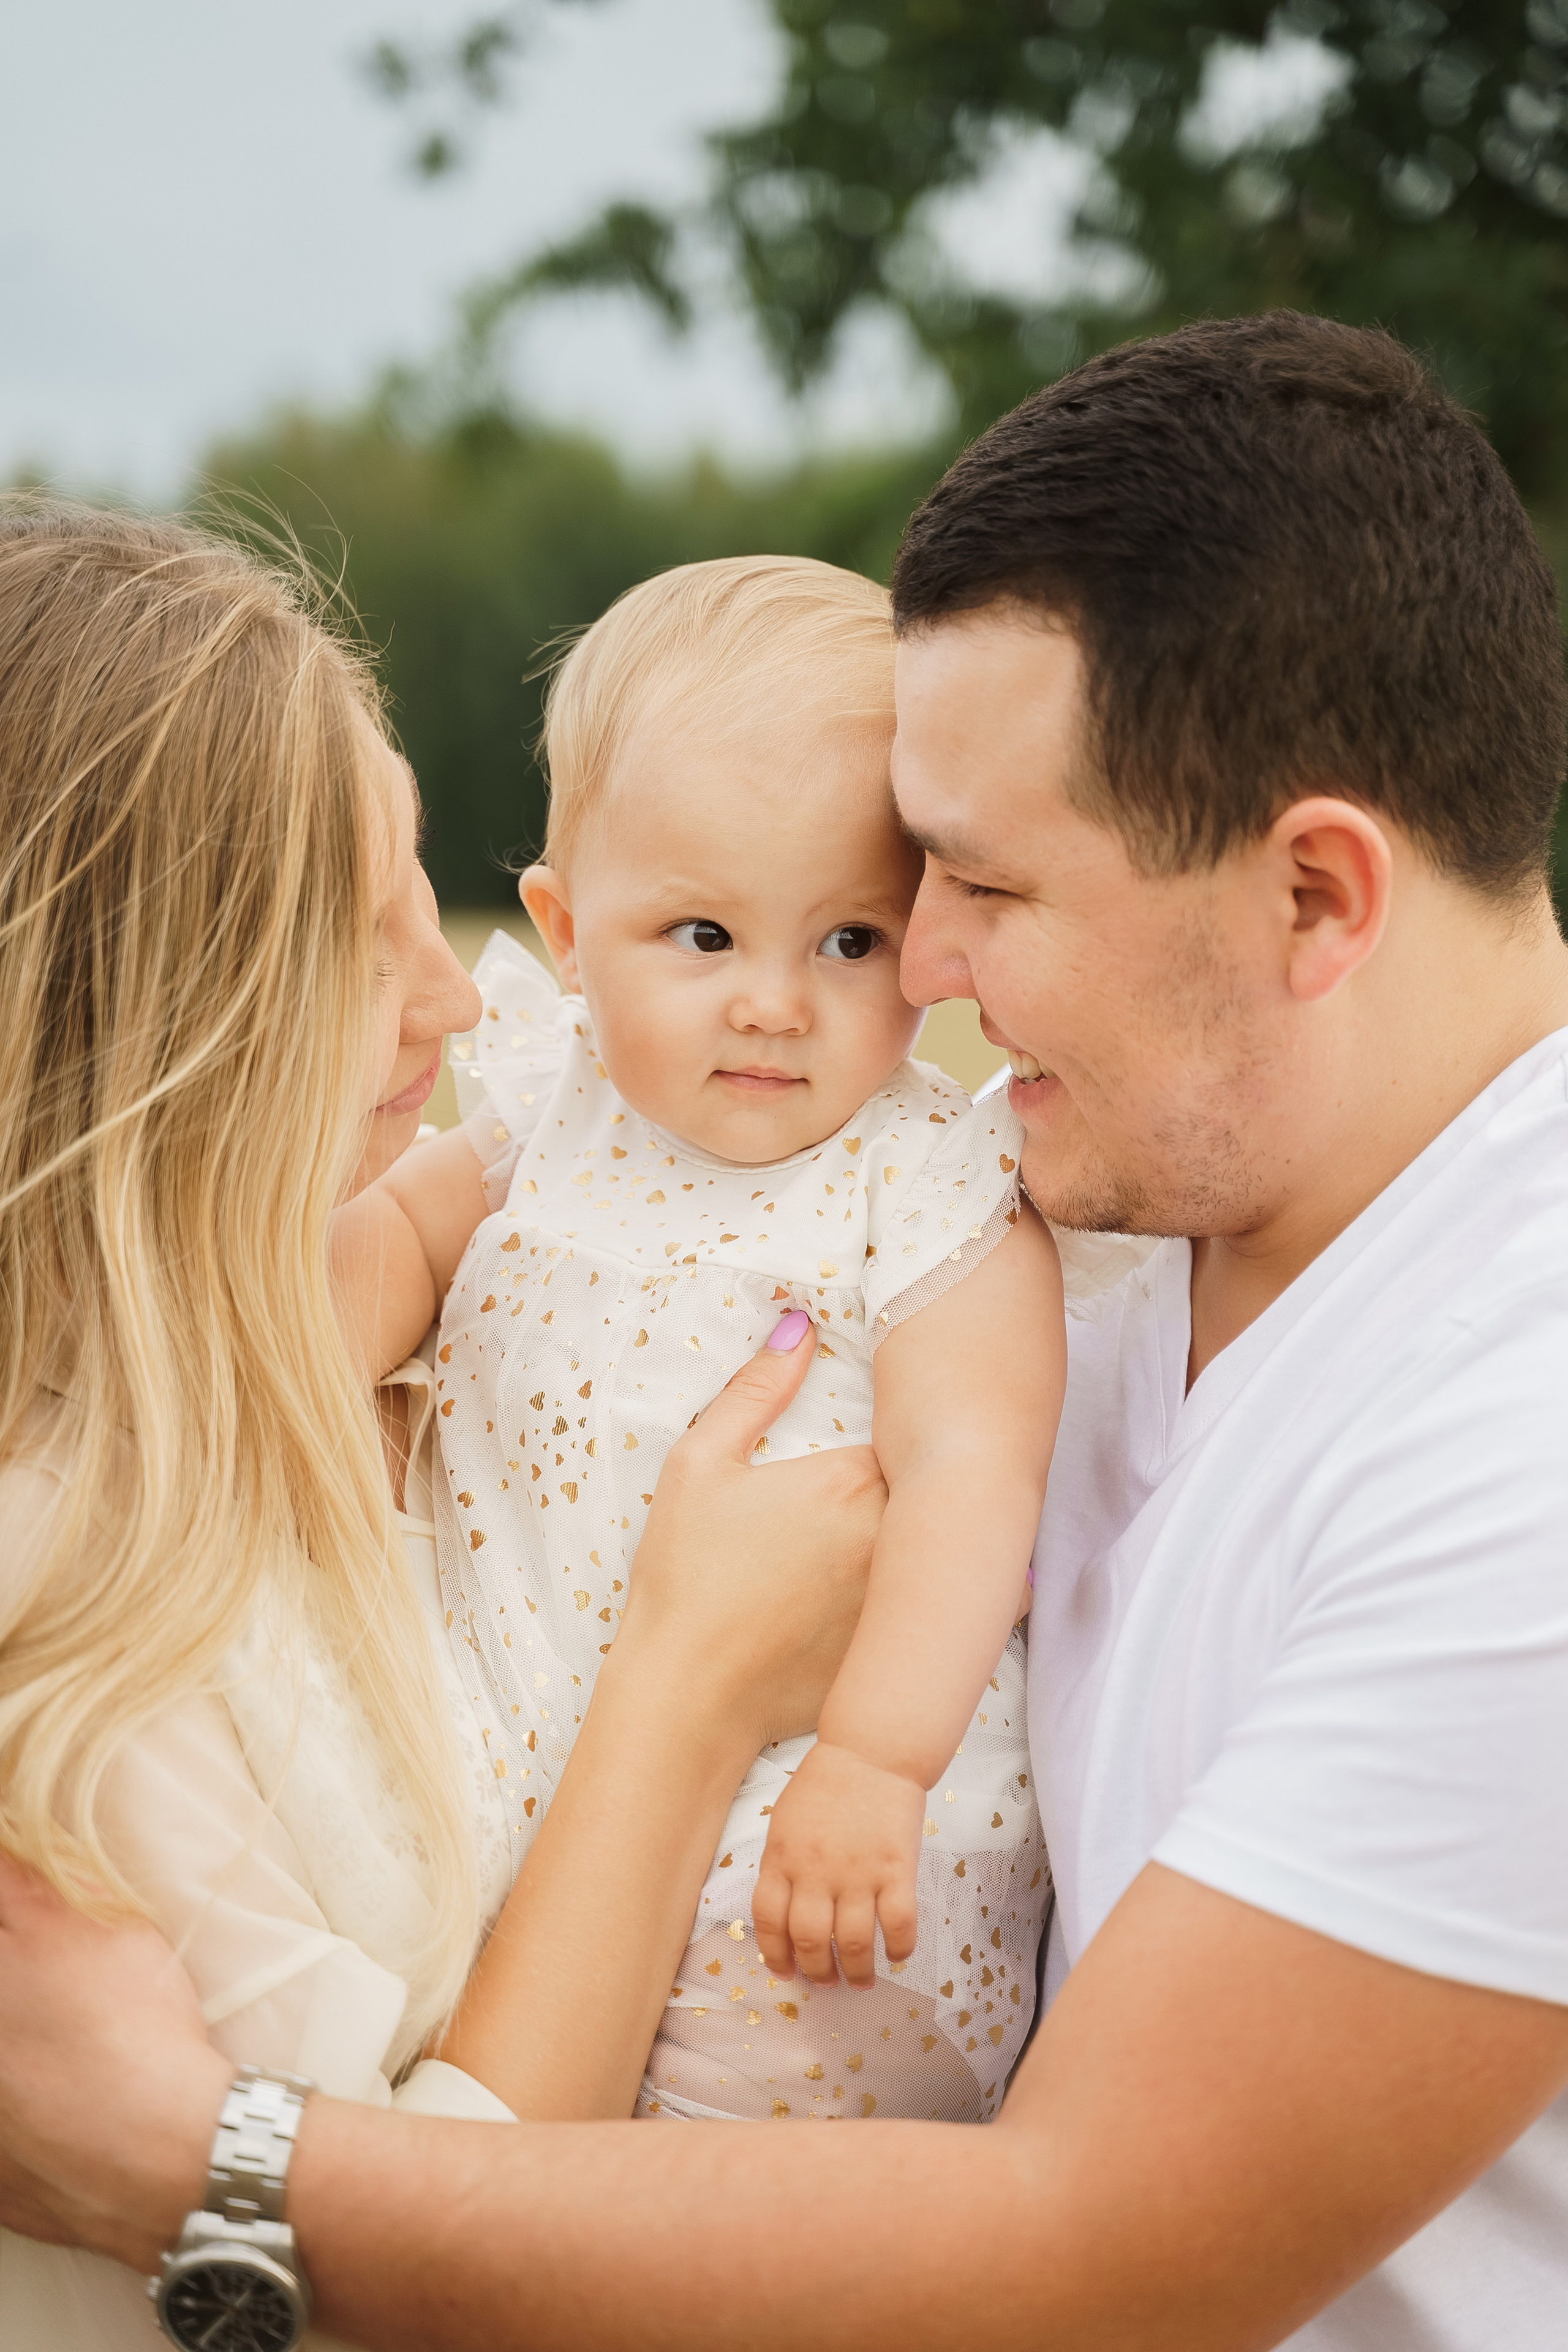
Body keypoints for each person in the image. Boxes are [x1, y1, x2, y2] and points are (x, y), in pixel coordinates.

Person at [3, 309, 1568, 2352]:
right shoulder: (1106, 1214)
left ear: (1316, 900)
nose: (917, 965)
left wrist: (194, 2167)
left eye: (978, 888)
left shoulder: (1518, 1447)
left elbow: (1087, 2255)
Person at [0, 500, 879, 2346]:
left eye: (428, 888)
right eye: (357, 931)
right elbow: (389, 2280)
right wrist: (693, 1688)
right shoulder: (65, 1630)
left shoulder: (327, 1357)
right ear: (129, 1017)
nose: (458, 994)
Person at [331, 554, 1062, 2125]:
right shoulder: (549, 1106)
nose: (774, 1005)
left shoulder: (921, 1176)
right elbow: (379, 1257)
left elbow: (975, 1471)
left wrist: (873, 1758)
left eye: (848, 941)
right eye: (703, 935)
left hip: (814, 1847)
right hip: (526, 1778)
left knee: (725, 2193)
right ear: (565, 929)